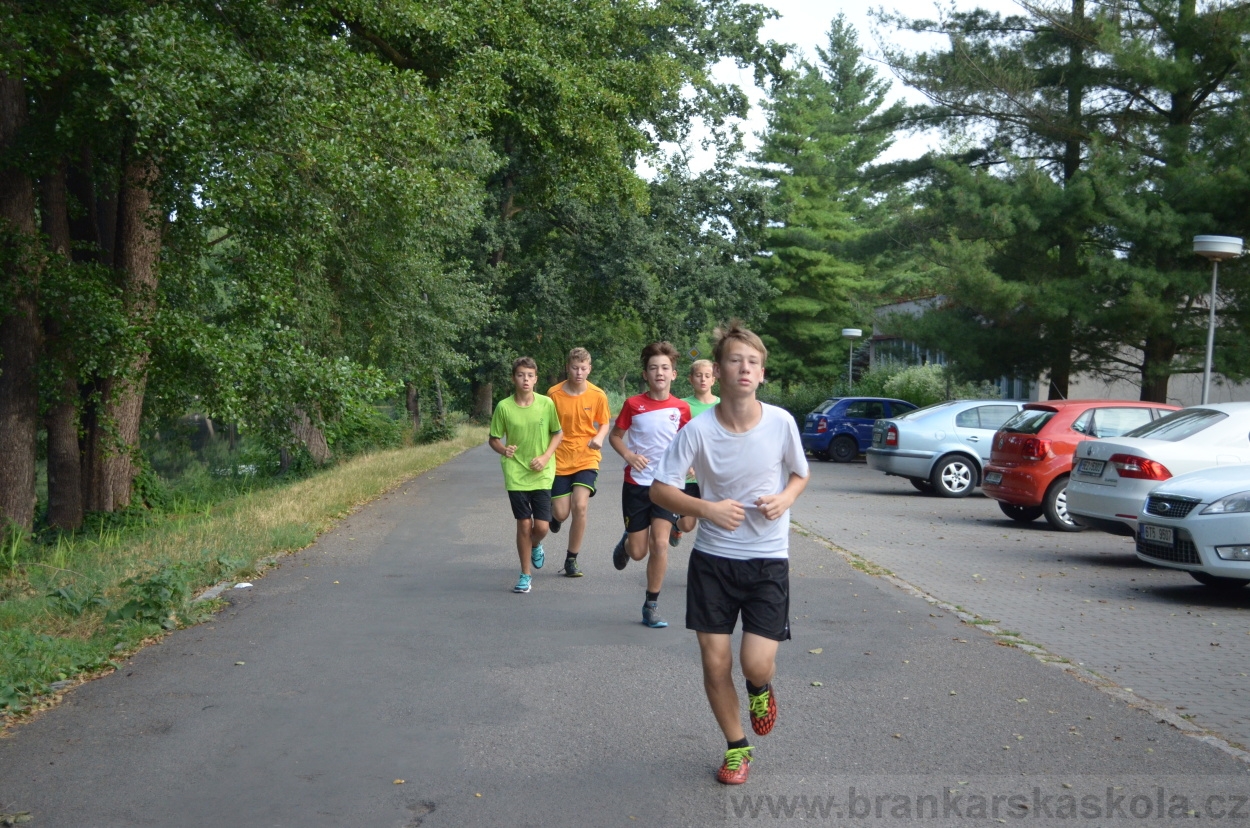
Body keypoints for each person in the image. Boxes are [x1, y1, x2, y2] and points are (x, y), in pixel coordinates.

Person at [650, 322, 809, 785]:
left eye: (753, 362)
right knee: (715, 661)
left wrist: (786, 499)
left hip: (767, 560)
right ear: (717, 372)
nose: (745, 368)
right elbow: (661, 490)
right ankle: (737, 747)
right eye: (735, 360)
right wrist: (707, 509)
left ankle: (760, 687)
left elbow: (799, 475)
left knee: (754, 662)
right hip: (713, 562)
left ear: (762, 374)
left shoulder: (781, 423)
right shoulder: (697, 430)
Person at [608, 341, 691, 628]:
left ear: (674, 374)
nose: (659, 372)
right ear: (645, 374)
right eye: (654, 368)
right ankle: (628, 541)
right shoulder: (633, 404)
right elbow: (615, 437)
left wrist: (690, 463)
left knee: (660, 543)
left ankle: (651, 604)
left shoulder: (681, 408)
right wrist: (629, 455)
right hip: (637, 484)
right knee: (639, 551)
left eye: (665, 368)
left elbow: (687, 442)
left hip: (668, 484)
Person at [488, 357, 563, 594]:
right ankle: (525, 574)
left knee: (541, 526)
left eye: (530, 375)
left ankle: (536, 544)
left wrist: (545, 457)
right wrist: (503, 449)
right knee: (523, 523)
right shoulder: (503, 407)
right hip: (515, 472)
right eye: (521, 375)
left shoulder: (546, 404)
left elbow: (558, 434)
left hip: (542, 472)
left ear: (536, 379)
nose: (526, 380)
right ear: (514, 378)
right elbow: (494, 439)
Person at [546, 347, 612, 577]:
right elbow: (547, 426)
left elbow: (604, 422)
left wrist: (599, 437)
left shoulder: (597, 395)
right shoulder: (553, 394)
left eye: (583, 368)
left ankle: (571, 559)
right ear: (568, 367)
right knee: (562, 513)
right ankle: (555, 517)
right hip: (560, 458)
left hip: (587, 456)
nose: (579, 373)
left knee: (580, 506)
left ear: (589, 369)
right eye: (575, 368)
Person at [670, 358, 720, 548]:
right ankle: (675, 525)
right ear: (690, 379)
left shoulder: (722, 405)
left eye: (707, 376)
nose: (703, 380)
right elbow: (675, 438)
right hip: (689, 475)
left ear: (714, 379)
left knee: (714, 520)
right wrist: (686, 463)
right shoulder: (682, 406)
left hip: (714, 474)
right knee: (688, 524)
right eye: (698, 376)